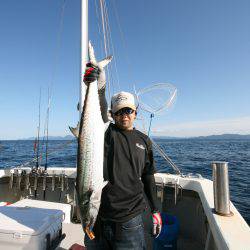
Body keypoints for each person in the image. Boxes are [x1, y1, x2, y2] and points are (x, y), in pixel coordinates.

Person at [83, 44, 162, 250]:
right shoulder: (105, 133)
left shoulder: (144, 141)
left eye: (128, 110)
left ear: (135, 113)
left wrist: (155, 209)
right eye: (118, 111)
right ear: (112, 114)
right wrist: (98, 83)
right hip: (98, 217)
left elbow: (148, 176)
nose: (124, 114)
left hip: (130, 221)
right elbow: (99, 109)